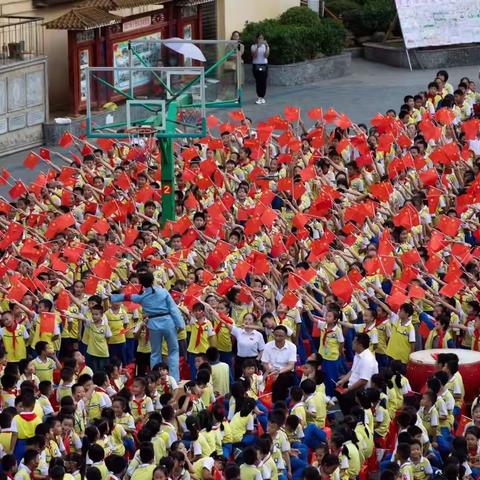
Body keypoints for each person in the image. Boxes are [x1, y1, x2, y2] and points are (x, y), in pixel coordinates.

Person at [111, 272, 185, 381]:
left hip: (153, 324)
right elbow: (173, 309)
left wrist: (113, 297)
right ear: (153, 280)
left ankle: (155, 378)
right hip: (168, 322)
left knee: (155, 353)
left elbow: (127, 297)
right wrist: (180, 324)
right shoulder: (163, 292)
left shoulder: (142, 297)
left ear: (142, 284)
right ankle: (174, 378)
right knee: (173, 351)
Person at [336, 333, 378, 415]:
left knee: (346, 397)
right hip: (353, 385)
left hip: (362, 390)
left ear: (360, 345)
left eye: (354, 342)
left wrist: (348, 389)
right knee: (338, 389)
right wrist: (343, 380)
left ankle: (351, 418)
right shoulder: (357, 354)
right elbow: (353, 370)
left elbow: (363, 381)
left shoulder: (367, 359)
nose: (352, 343)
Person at [261, 325, 297, 403]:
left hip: (285, 371)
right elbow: (265, 363)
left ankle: (277, 402)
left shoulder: (292, 347)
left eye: (280, 336)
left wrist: (278, 372)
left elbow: (291, 365)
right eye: (276, 335)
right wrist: (271, 372)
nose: (277, 338)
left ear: (286, 336)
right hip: (270, 371)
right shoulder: (268, 346)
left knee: (282, 380)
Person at [251, 32, 269, 104]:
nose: (261, 40)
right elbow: (254, 56)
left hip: (264, 65)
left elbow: (266, 56)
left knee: (263, 81)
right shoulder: (253, 46)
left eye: (262, 38)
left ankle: (262, 97)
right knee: (258, 81)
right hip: (256, 65)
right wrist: (258, 47)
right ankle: (259, 97)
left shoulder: (265, 46)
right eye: (259, 38)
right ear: (256, 39)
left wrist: (267, 47)